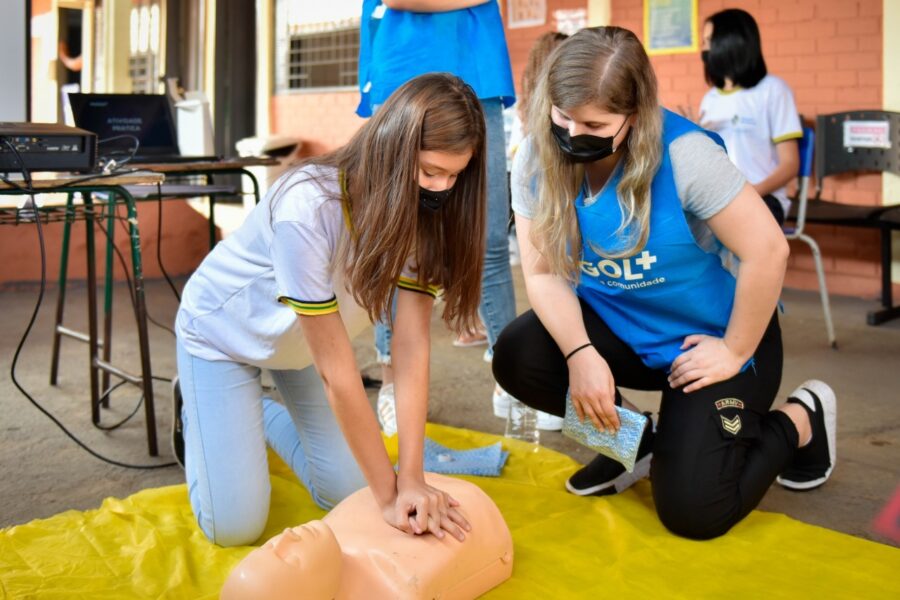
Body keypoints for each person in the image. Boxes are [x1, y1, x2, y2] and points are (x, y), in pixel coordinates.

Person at [494, 26, 837, 540]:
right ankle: (634, 442)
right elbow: (542, 274)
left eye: (593, 123)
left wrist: (733, 347)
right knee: (520, 354)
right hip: (618, 325)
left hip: (711, 339)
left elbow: (768, 250)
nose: (570, 132)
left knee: (694, 513)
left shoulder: (686, 156)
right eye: (562, 116)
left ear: (635, 117)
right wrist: (580, 354)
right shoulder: (534, 157)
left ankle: (802, 417)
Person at [174, 73, 482, 547]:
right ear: (393, 148)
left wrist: (411, 476)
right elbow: (337, 373)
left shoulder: (428, 216)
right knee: (234, 527)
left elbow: (412, 346)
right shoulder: (308, 205)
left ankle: (249, 407)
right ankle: (200, 400)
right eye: (430, 172)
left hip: (299, 349)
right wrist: (387, 497)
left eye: (454, 175)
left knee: (346, 491)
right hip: (223, 336)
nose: (442, 189)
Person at [356, 0, 530, 432]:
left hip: (478, 69)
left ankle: (510, 381)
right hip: (404, 70)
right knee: (393, 240)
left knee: (489, 238)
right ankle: (393, 382)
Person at [221, 474, 513, 599]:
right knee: (232, 519)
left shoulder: (328, 540)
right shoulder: (398, 585)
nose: (285, 534)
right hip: (473, 510)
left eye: (270, 545)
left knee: (344, 475)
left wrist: (411, 476)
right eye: (289, 558)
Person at [698, 8, 801, 226]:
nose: (703, 48)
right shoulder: (710, 99)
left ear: (730, 43)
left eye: (709, 41)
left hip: (764, 197)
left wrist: (750, 193)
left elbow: (790, 164)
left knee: (731, 235)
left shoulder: (773, 90)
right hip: (720, 198)